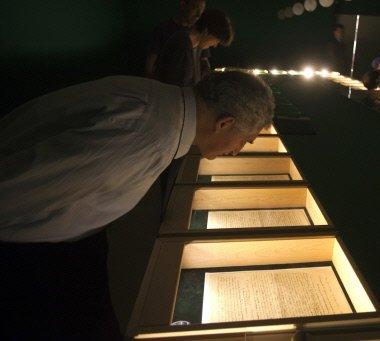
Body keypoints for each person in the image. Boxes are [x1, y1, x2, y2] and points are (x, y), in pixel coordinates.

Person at [0, 71, 274, 339]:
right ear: (224, 123)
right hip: (25, 254)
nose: (237, 151)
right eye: (244, 140)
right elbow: (21, 190)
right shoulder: (148, 137)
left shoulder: (155, 100)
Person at [154, 9, 234, 86]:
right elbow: (175, 86)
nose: (214, 45)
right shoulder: (182, 44)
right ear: (206, 32)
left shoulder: (195, 47)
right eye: (216, 41)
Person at [145, 0, 206, 78]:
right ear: (183, 4)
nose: (198, 15)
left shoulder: (198, 32)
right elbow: (150, 64)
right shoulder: (163, 29)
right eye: (195, 8)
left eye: (201, 11)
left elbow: (204, 60)